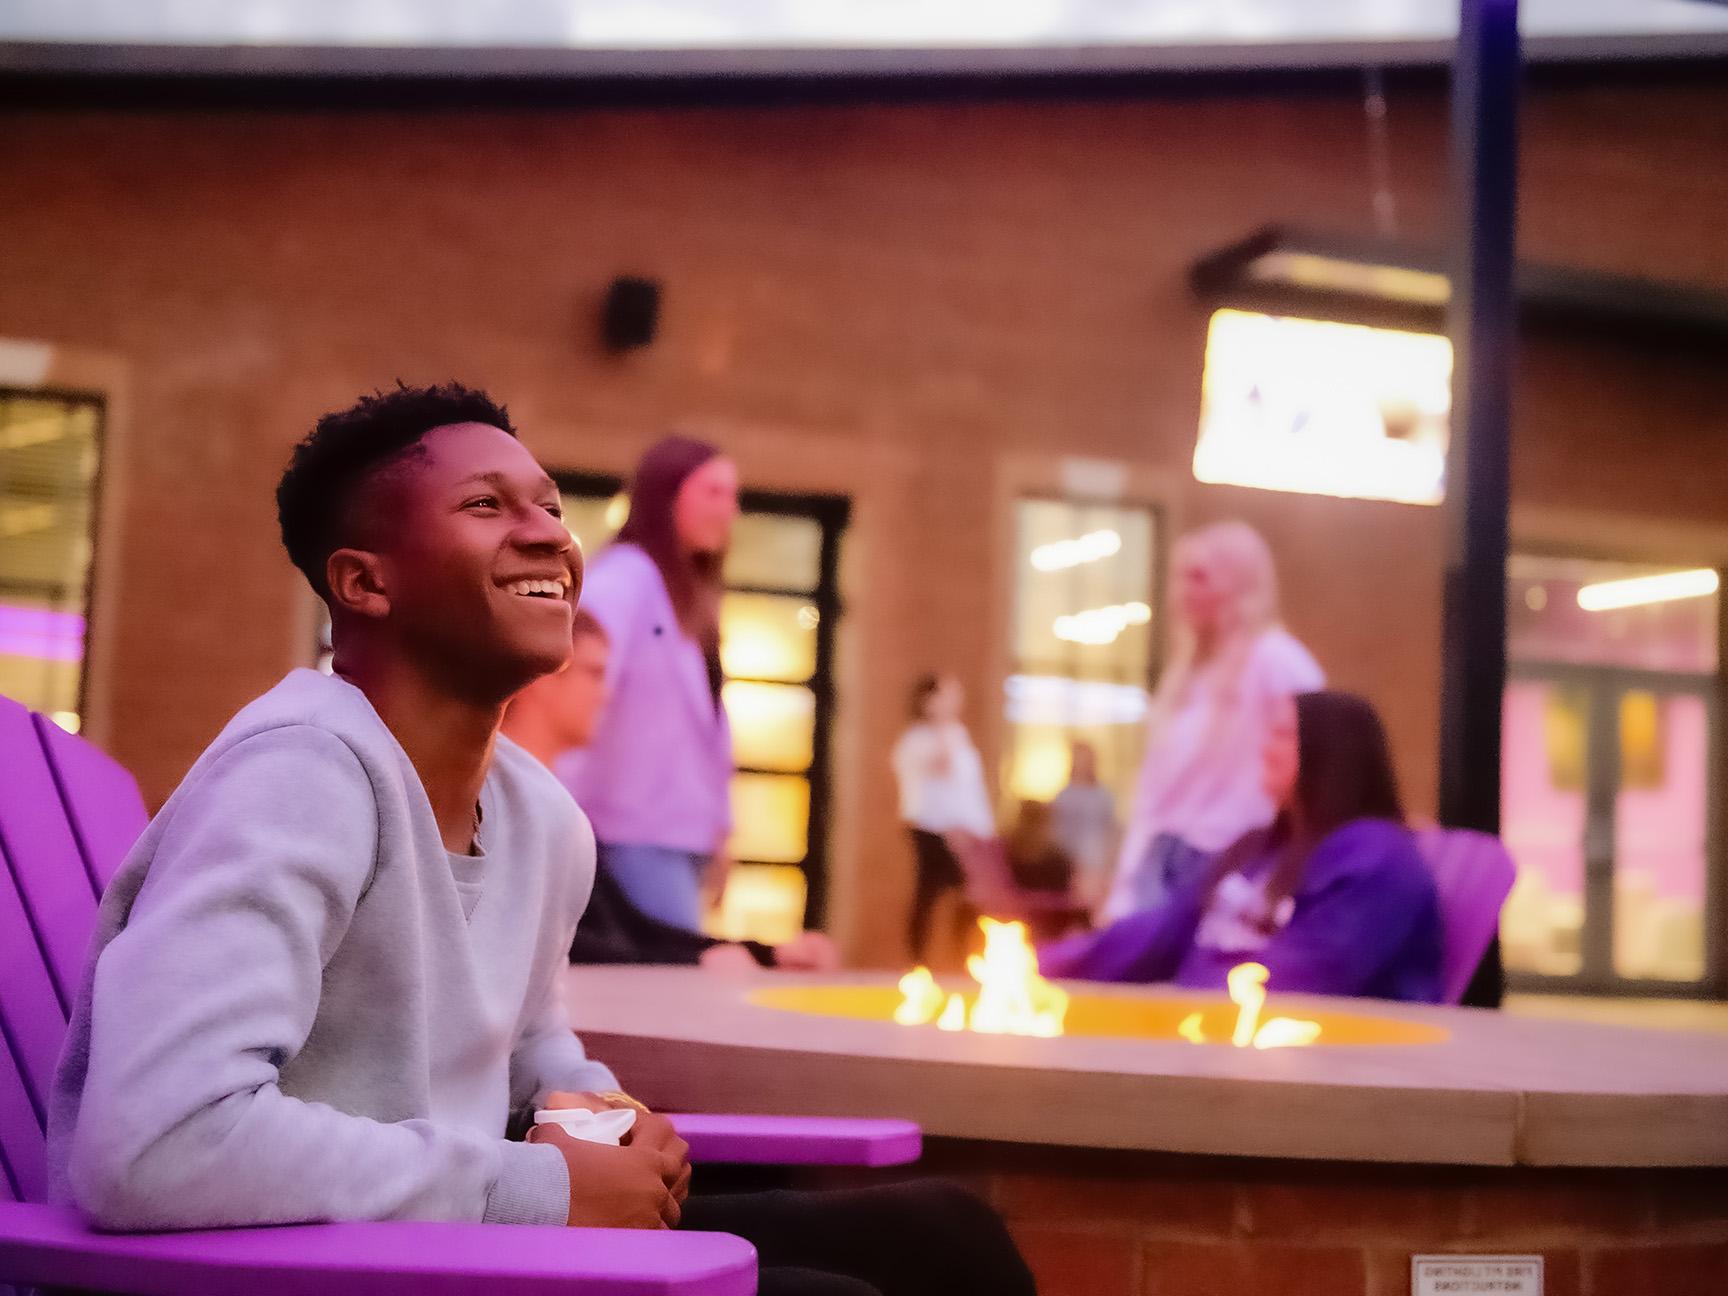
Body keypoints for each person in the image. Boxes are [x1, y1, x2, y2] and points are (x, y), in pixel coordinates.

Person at [48, 383, 1035, 1296]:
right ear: (364, 583)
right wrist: (533, 1190)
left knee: (948, 1237)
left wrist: (605, 1122)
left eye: (552, 507)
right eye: (487, 507)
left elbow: (528, 1046)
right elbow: (155, 1143)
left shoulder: (540, 818)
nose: (550, 538)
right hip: (315, 1271)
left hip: (452, 1243)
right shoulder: (299, 778)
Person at [1041, 691, 1443, 1002]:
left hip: (1312, 1070)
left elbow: (1310, 978)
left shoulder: (1377, 861)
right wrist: (1044, 966)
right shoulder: (1262, 847)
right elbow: (1164, 930)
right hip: (1212, 1038)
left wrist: (1174, 1010)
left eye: (1283, 735)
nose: (1265, 749)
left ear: (1334, 756)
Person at [505, 608, 837, 973]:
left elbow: (630, 930)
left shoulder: (558, 806)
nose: (607, 694)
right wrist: (699, 961)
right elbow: (560, 946)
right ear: (538, 677)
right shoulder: (502, 802)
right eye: (595, 673)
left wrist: (767, 954)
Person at [558, 436, 738, 933]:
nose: (730, 510)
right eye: (714, 492)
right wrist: (552, 821)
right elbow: (569, 689)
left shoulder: (688, 600)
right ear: (667, 496)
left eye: (733, 495)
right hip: (628, 835)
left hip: (679, 839)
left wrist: (720, 834)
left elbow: (709, 730)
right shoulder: (625, 581)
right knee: (670, 992)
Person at [1102, 520, 1323, 921]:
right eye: (1180, 578)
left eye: (1199, 578)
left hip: (1227, 867)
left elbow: (1321, 753)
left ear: (1237, 584)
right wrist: (1125, 886)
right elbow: (1153, 798)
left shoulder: (1275, 660)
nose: (1183, 592)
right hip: (1164, 865)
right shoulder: (1186, 678)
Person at [891, 674, 995, 963]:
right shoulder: (918, 739)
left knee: (968, 895)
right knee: (929, 893)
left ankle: (964, 958)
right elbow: (941, 774)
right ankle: (919, 962)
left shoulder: (958, 734)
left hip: (965, 829)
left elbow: (968, 788)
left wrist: (980, 829)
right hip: (934, 828)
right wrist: (941, 727)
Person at [1048, 740, 1119, 911]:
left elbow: (1110, 829)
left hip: (1097, 860)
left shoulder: (1103, 796)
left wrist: (1109, 861)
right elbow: (1057, 832)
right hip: (1068, 860)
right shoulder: (1064, 797)